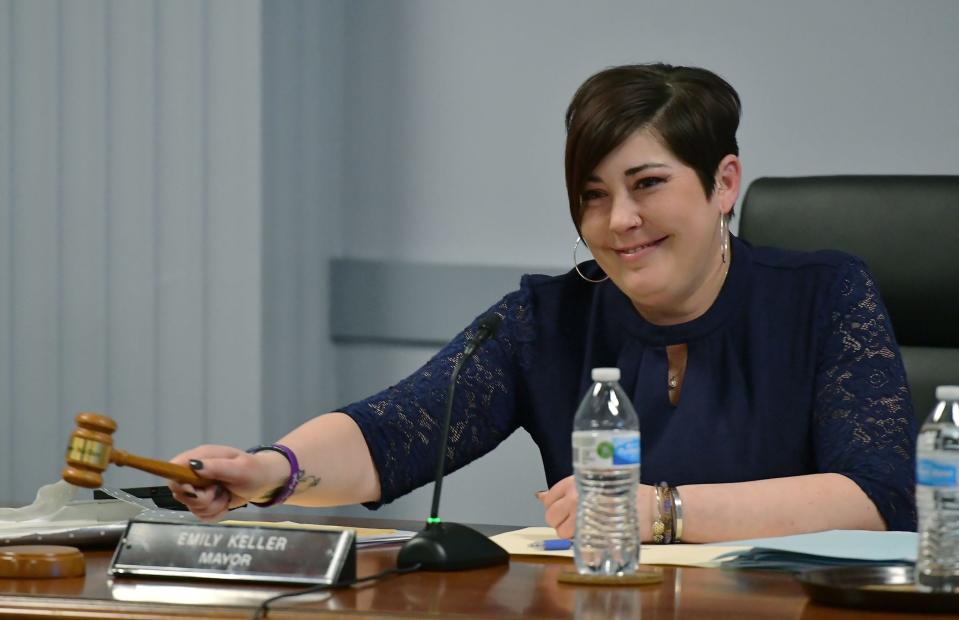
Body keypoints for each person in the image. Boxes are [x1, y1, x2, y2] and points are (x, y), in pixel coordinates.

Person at [169, 63, 917, 541]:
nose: (617, 220)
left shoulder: (825, 294)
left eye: (646, 184)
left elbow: (877, 499)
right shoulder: (545, 318)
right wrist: (271, 470)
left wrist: (661, 511)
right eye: (592, 196)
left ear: (722, 183)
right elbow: (398, 429)